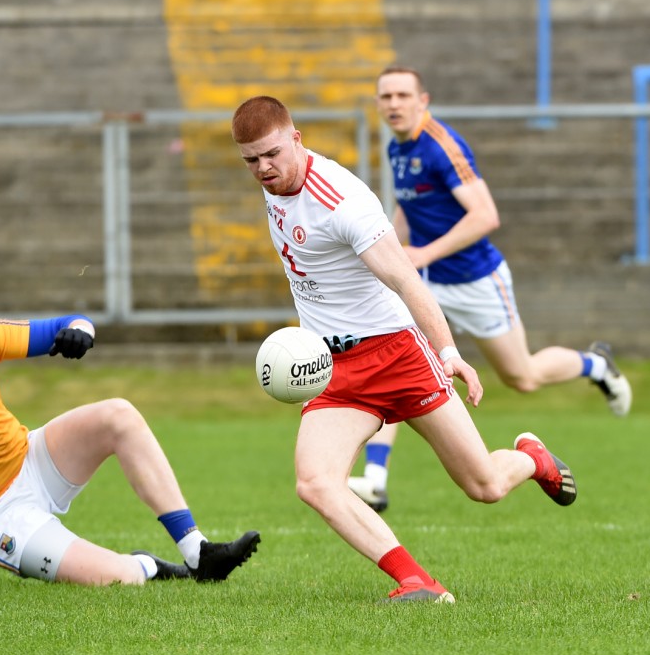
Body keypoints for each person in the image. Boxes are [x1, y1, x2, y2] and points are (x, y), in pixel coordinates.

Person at [232, 95, 578, 604]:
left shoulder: (342, 200)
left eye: (272, 154)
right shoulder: (276, 184)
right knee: (316, 483)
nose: (263, 168)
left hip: (396, 354)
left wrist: (448, 351)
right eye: (251, 160)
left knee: (484, 485)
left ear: (296, 139)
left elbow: (405, 280)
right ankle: (417, 581)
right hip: (333, 369)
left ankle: (534, 459)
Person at [0, 280, 260, 588]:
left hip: (31, 458)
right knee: (121, 579)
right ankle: (148, 565)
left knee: (119, 414)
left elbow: (69, 323)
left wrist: (80, 333)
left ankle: (198, 552)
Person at [351, 65, 632, 512]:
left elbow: (485, 216)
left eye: (403, 95)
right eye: (386, 96)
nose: (394, 104)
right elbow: (407, 210)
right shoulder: (397, 147)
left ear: (423, 101)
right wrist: (389, 252)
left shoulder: (443, 146)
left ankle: (596, 365)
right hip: (428, 284)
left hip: (477, 279)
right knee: (399, 362)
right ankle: (375, 480)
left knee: (523, 376)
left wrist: (423, 254)